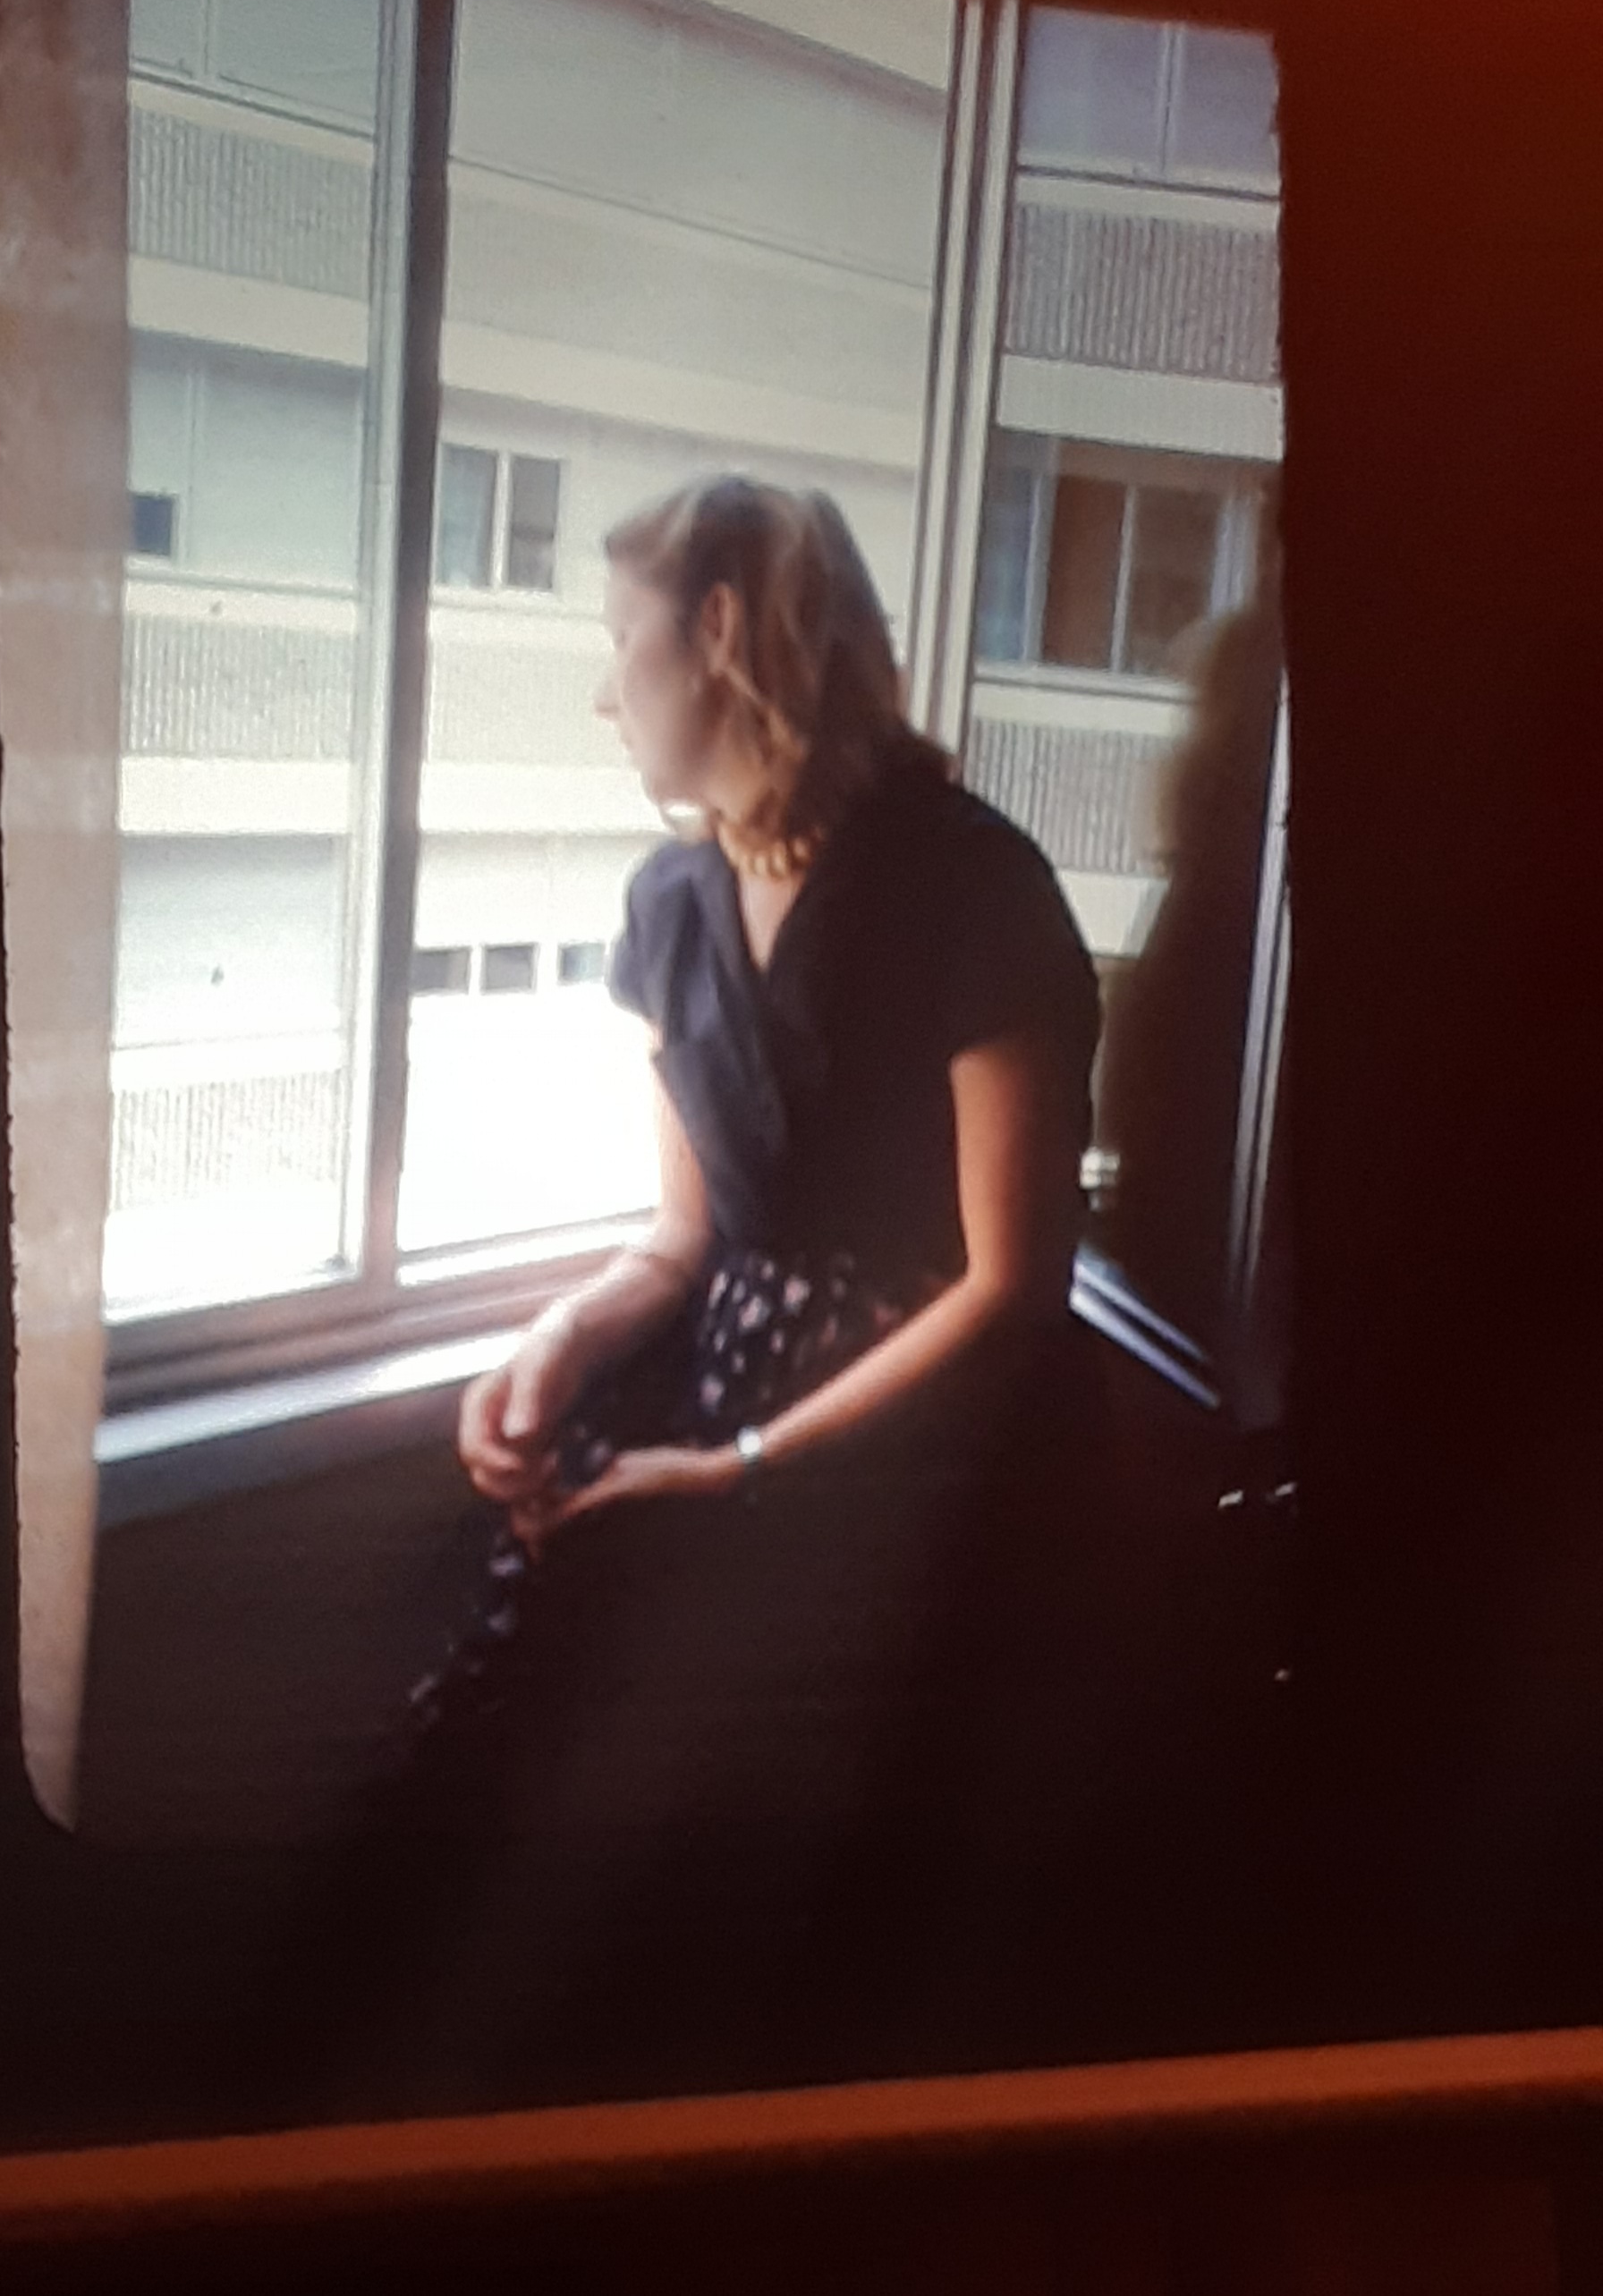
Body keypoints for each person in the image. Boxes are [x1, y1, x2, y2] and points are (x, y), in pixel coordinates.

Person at [386, 475, 1106, 2088]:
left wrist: (746, 1473)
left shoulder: (973, 889)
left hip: (931, 1470)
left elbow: (1010, 1286)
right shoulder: (670, 903)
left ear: (718, 633)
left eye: (617, 639)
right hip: (726, 1405)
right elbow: (683, 1240)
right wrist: (556, 1341)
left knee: (814, 1931)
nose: (603, 689)